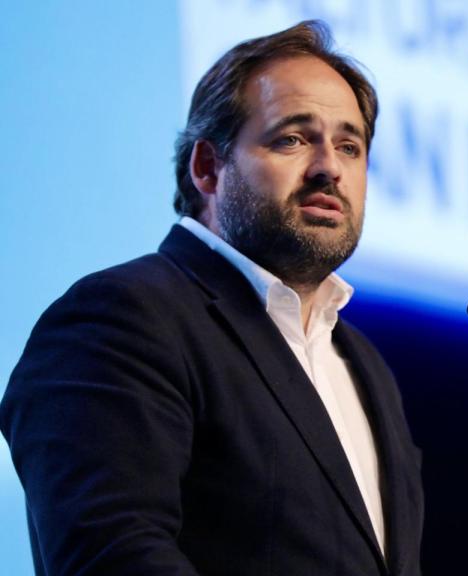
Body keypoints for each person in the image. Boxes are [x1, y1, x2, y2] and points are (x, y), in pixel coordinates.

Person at [0, 20, 423, 575]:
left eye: (350, 146)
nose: (329, 168)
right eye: (292, 139)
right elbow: (113, 556)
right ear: (207, 168)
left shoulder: (363, 364)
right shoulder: (120, 319)